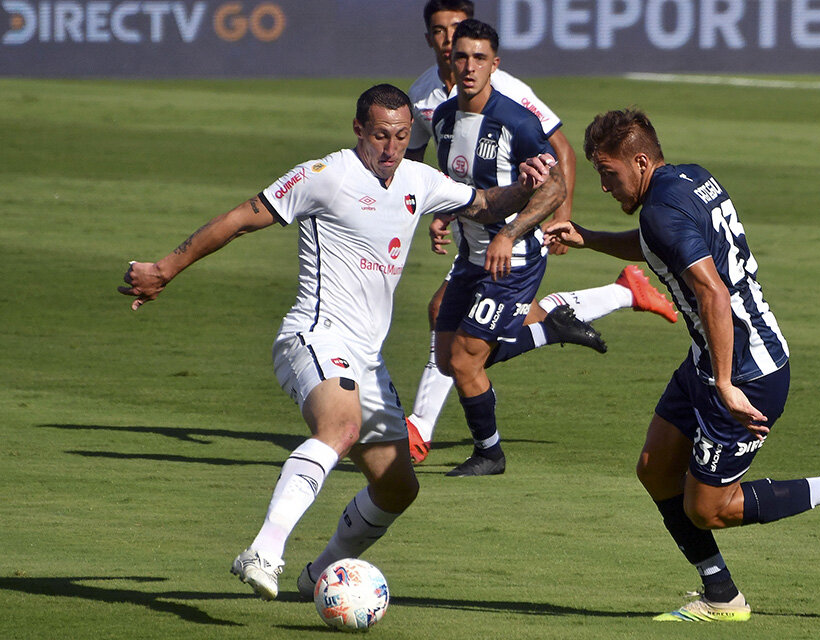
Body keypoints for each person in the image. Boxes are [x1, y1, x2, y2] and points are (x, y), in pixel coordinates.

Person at [117, 84, 557, 601]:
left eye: (399, 135)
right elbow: (240, 219)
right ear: (358, 131)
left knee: (398, 488)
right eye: (379, 136)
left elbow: (484, 204)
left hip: (367, 360)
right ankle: (263, 550)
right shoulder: (325, 177)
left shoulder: (419, 179)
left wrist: (525, 187)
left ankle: (317, 575)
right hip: (315, 334)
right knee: (340, 426)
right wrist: (166, 269)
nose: (390, 147)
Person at [544, 108, 820, 621]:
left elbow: (712, 292)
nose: (604, 185)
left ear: (641, 161)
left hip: (745, 372)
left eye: (608, 172)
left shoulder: (658, 212)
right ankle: (722, 596)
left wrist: (726, 382)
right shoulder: (691, 178)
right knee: (655, 468)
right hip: (712, 360)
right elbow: (664, 248)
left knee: (708, 508)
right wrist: (591, 237)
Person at [404, 0, 677, 466]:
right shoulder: (443, 115)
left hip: (515, 258)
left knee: (467, 357)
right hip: (472, 254)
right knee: (451, 353)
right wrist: (444, 214)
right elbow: (460, 183)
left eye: (477, 57)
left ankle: (484, 453)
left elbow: (556, 180)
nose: (466, 64)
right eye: (459, 55)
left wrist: (517, 232)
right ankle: (554, 324)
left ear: (495, 63)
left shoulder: (516, 119)